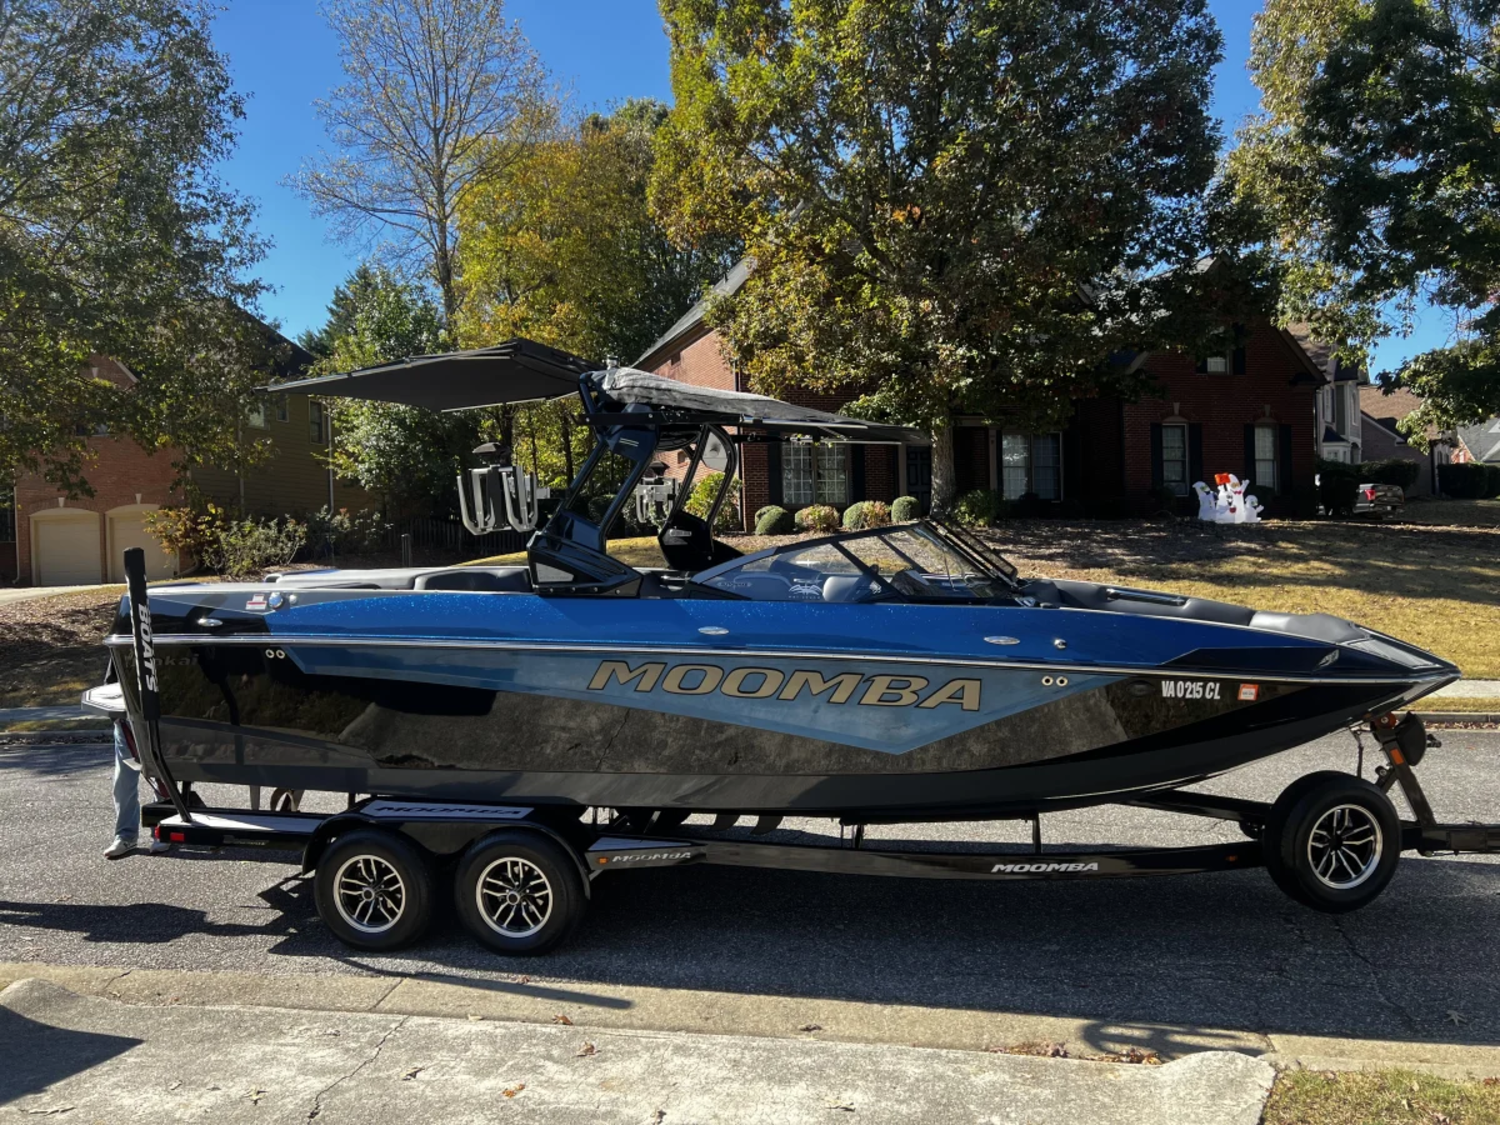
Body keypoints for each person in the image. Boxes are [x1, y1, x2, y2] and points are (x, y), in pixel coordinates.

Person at [103, 720, 170, 859]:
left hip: (159, 722)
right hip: (126, 721)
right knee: (123, 782)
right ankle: (125, 836)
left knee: (162, 777)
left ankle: (161, 832)